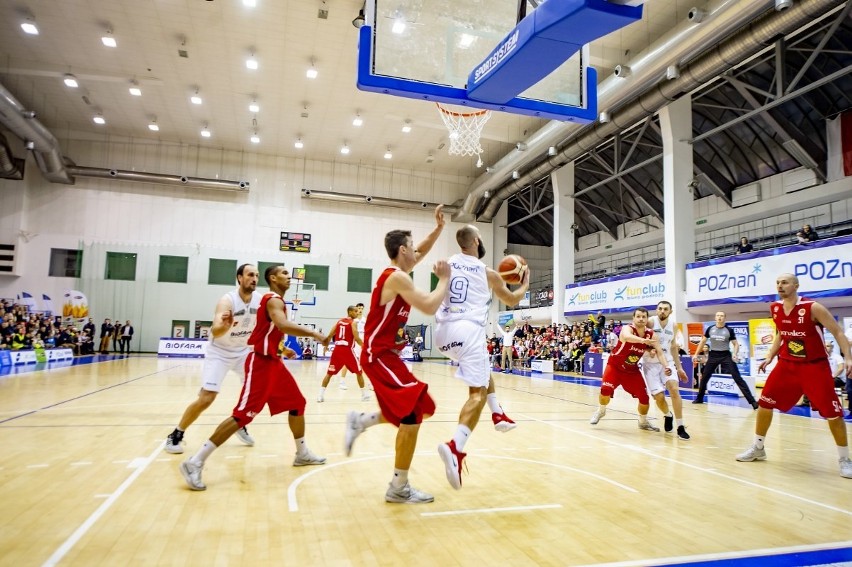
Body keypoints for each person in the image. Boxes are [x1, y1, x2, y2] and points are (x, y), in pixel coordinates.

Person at [180, 265, 331, 491]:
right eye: (284, 274)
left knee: (297, 403)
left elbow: (269, 331)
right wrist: (313, 333)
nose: (289, 278)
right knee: (243, 415)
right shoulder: (272, 300)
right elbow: (281, 324)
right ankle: (196, 461)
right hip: (260, 363)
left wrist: (281, 350)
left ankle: (302, 453)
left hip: (273, 361)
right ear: (273, 278)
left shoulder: (273, 300)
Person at [342, 205, 450, 504]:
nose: (417, 252)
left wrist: (438, 230)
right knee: (413, 411)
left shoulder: (399, 273)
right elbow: (429, 306)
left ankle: (362, 422)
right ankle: (398, 487)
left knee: (422, 407)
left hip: (388, 356)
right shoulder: (397, 278)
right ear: (403, 250)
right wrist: (444, 280)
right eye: (413, 249)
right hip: (378, 355)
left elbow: (421, 252)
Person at [433, 225, 529, 490]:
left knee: (484, 367)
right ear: (475, 241)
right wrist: (525, 284)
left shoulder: (447, 263)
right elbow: (510, 300)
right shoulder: (488, 273)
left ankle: (498, 414)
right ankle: (455, 447)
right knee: (476, 393)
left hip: (442, 334)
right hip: (468, 330)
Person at [736, 273, 852, 479]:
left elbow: (838, 333)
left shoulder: (812, 307)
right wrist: (770, 355)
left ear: (796, 285)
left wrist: (849, 359)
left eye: (785, 282)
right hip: (787, 364)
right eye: (778, 282)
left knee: (833, 413)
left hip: (815, 367)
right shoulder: (775, 308)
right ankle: (758, 447)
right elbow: (781, 332)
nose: (780, 285)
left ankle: (845, 459)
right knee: (764, 403)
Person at [166, 264, 262, 454]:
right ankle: (176, 434)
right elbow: (216, 331)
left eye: (257, 276)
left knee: (255, 394)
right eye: (250, 275)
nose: (254, 279)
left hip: (244, 351)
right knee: (207, 398)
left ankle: (238, 423)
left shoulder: (259, 300)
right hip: (220, 351)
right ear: (239, 278)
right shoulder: (227, 301)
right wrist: (224, 327)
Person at [589, 307, 668, 431]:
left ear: (647, 319)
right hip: (614, 366)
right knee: (605, 390)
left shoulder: (651, 334)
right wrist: (643, 341)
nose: (641, 319)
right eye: (638, 316)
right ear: (633, 318)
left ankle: (642, 422)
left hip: (631, 371)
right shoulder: (628, 328)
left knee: (644, 398)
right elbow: (627, 337)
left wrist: (666, 366)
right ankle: (601, 410)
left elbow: (659, 352)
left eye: (644, 317)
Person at [642, 301, 691, 440]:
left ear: (670, 311)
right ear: (656, 310)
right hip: (650, 364)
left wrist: (680, 368)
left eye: (665, 309)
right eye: (660, 309)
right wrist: (648, 349)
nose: (662, 311)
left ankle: (680, 426)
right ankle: (668, 414)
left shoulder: (674, 326)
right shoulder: (650, 322)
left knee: (674, 389)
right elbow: (641, 339)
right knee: (659, 397)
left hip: (667, 362)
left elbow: (673, 347)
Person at [692, 311, 759, 408]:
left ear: (724, 318)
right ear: (715, 318)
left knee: (737, 378)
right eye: (718, 315)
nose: (719, 317)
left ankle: (753, 402)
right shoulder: (710, 329)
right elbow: (702, 342)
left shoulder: (729, 330)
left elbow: (735, 344)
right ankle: (699, 398)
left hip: (726, 355)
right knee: (705, 376)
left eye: (722, 316)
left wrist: (735, 354)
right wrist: (695, 354)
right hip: (713, 355)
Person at [317, 306, 369, 403]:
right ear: (349, 312)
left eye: (358, 311)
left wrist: (326, 346)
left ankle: (320, 395)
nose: (357, 313)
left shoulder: (339, 322)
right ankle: (364, 395)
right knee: (359, 372)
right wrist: (365, 347)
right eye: (355, 311)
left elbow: (329, 335)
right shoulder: (353, 323)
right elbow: (357, 338)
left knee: (329, 374)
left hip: (337, 351)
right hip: (348, 351)